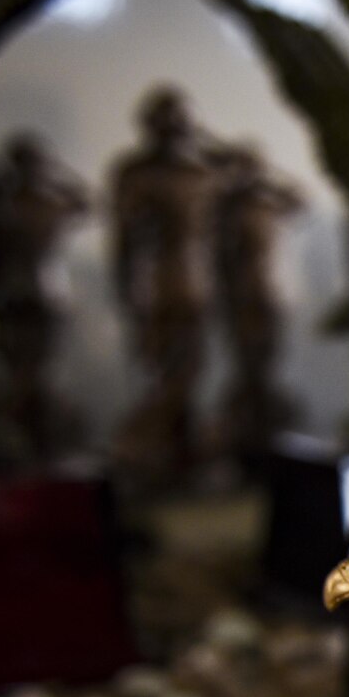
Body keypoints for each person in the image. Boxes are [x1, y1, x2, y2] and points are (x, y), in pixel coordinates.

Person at [109, 86, 217, 481]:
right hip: (158, 282)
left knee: (191, 369)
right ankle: (148, 445)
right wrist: (127, 291)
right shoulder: (137, 174)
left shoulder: (201, 171)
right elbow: (126, 242)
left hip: (197, 281)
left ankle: (180, 451)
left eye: (183, 122)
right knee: (162, 370)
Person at [0, 132, 89, 458]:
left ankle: (25, 434)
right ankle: (20, 432)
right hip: (39, 295)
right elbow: (84, 199)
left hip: (25, 294)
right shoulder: (43, 202)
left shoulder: (5, 204)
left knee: (33, 371)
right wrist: (57, 171)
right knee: (34, 371)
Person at [212, 142, 304, 465]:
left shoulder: (267, 200)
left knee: (268, 361)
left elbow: (299, 197)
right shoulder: (227, 208)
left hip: (271, 293)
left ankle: (267, 430)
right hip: (243, 296)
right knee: (249, 363)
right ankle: (247, 434)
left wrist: (267, 175)